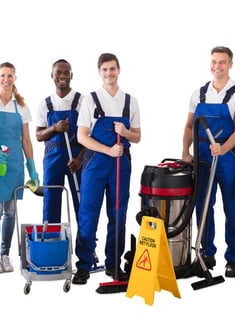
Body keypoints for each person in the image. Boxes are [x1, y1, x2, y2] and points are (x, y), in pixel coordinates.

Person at [182, 46, 235, 278]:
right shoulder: (199, 93)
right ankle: (206, 252)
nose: (217, 66)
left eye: (222, 62)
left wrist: (223, 148)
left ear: (230, 64)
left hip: (227, 159)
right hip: (202, 160)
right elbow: (189, 126)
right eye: (214, 62)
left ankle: (233, 258)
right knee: (203, 207)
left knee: (232, 208)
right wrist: (185, 150)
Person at [72, 53, 141, 285]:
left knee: (118, 213)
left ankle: (114, 264)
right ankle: (83, 265)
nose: (109, 74)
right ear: (99, 72)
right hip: (95, 163)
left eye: (112, 69)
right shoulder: (90, 100)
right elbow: (82, 136)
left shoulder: (130, 101)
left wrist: (127, 133)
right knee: (88, 213)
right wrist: (108, 150)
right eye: (104, 70)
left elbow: (138, 136)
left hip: (122, 164)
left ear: (119, 70)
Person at [0, 62, 40, 274]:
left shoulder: (21, 107)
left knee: (11, 211)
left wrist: (32, 169)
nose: (6, 79)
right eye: (2, 75)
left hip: (14, 165)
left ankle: (5, 254)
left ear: (15, 78)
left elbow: (26, 141)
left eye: (10, 75)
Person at [35, 59, 84, 224]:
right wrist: (54, 128)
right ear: (52, 75)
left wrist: (80, 159)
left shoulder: (82, 102)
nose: (62, 76)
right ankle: (51, 244)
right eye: (58, 72)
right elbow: (39, 135)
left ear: (71, 75)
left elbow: (90, 135)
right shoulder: (45, 104)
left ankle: (86, 248)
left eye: (66, 72)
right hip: (52, 158)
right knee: (51, 201)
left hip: (76, 158)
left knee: (82, 201)